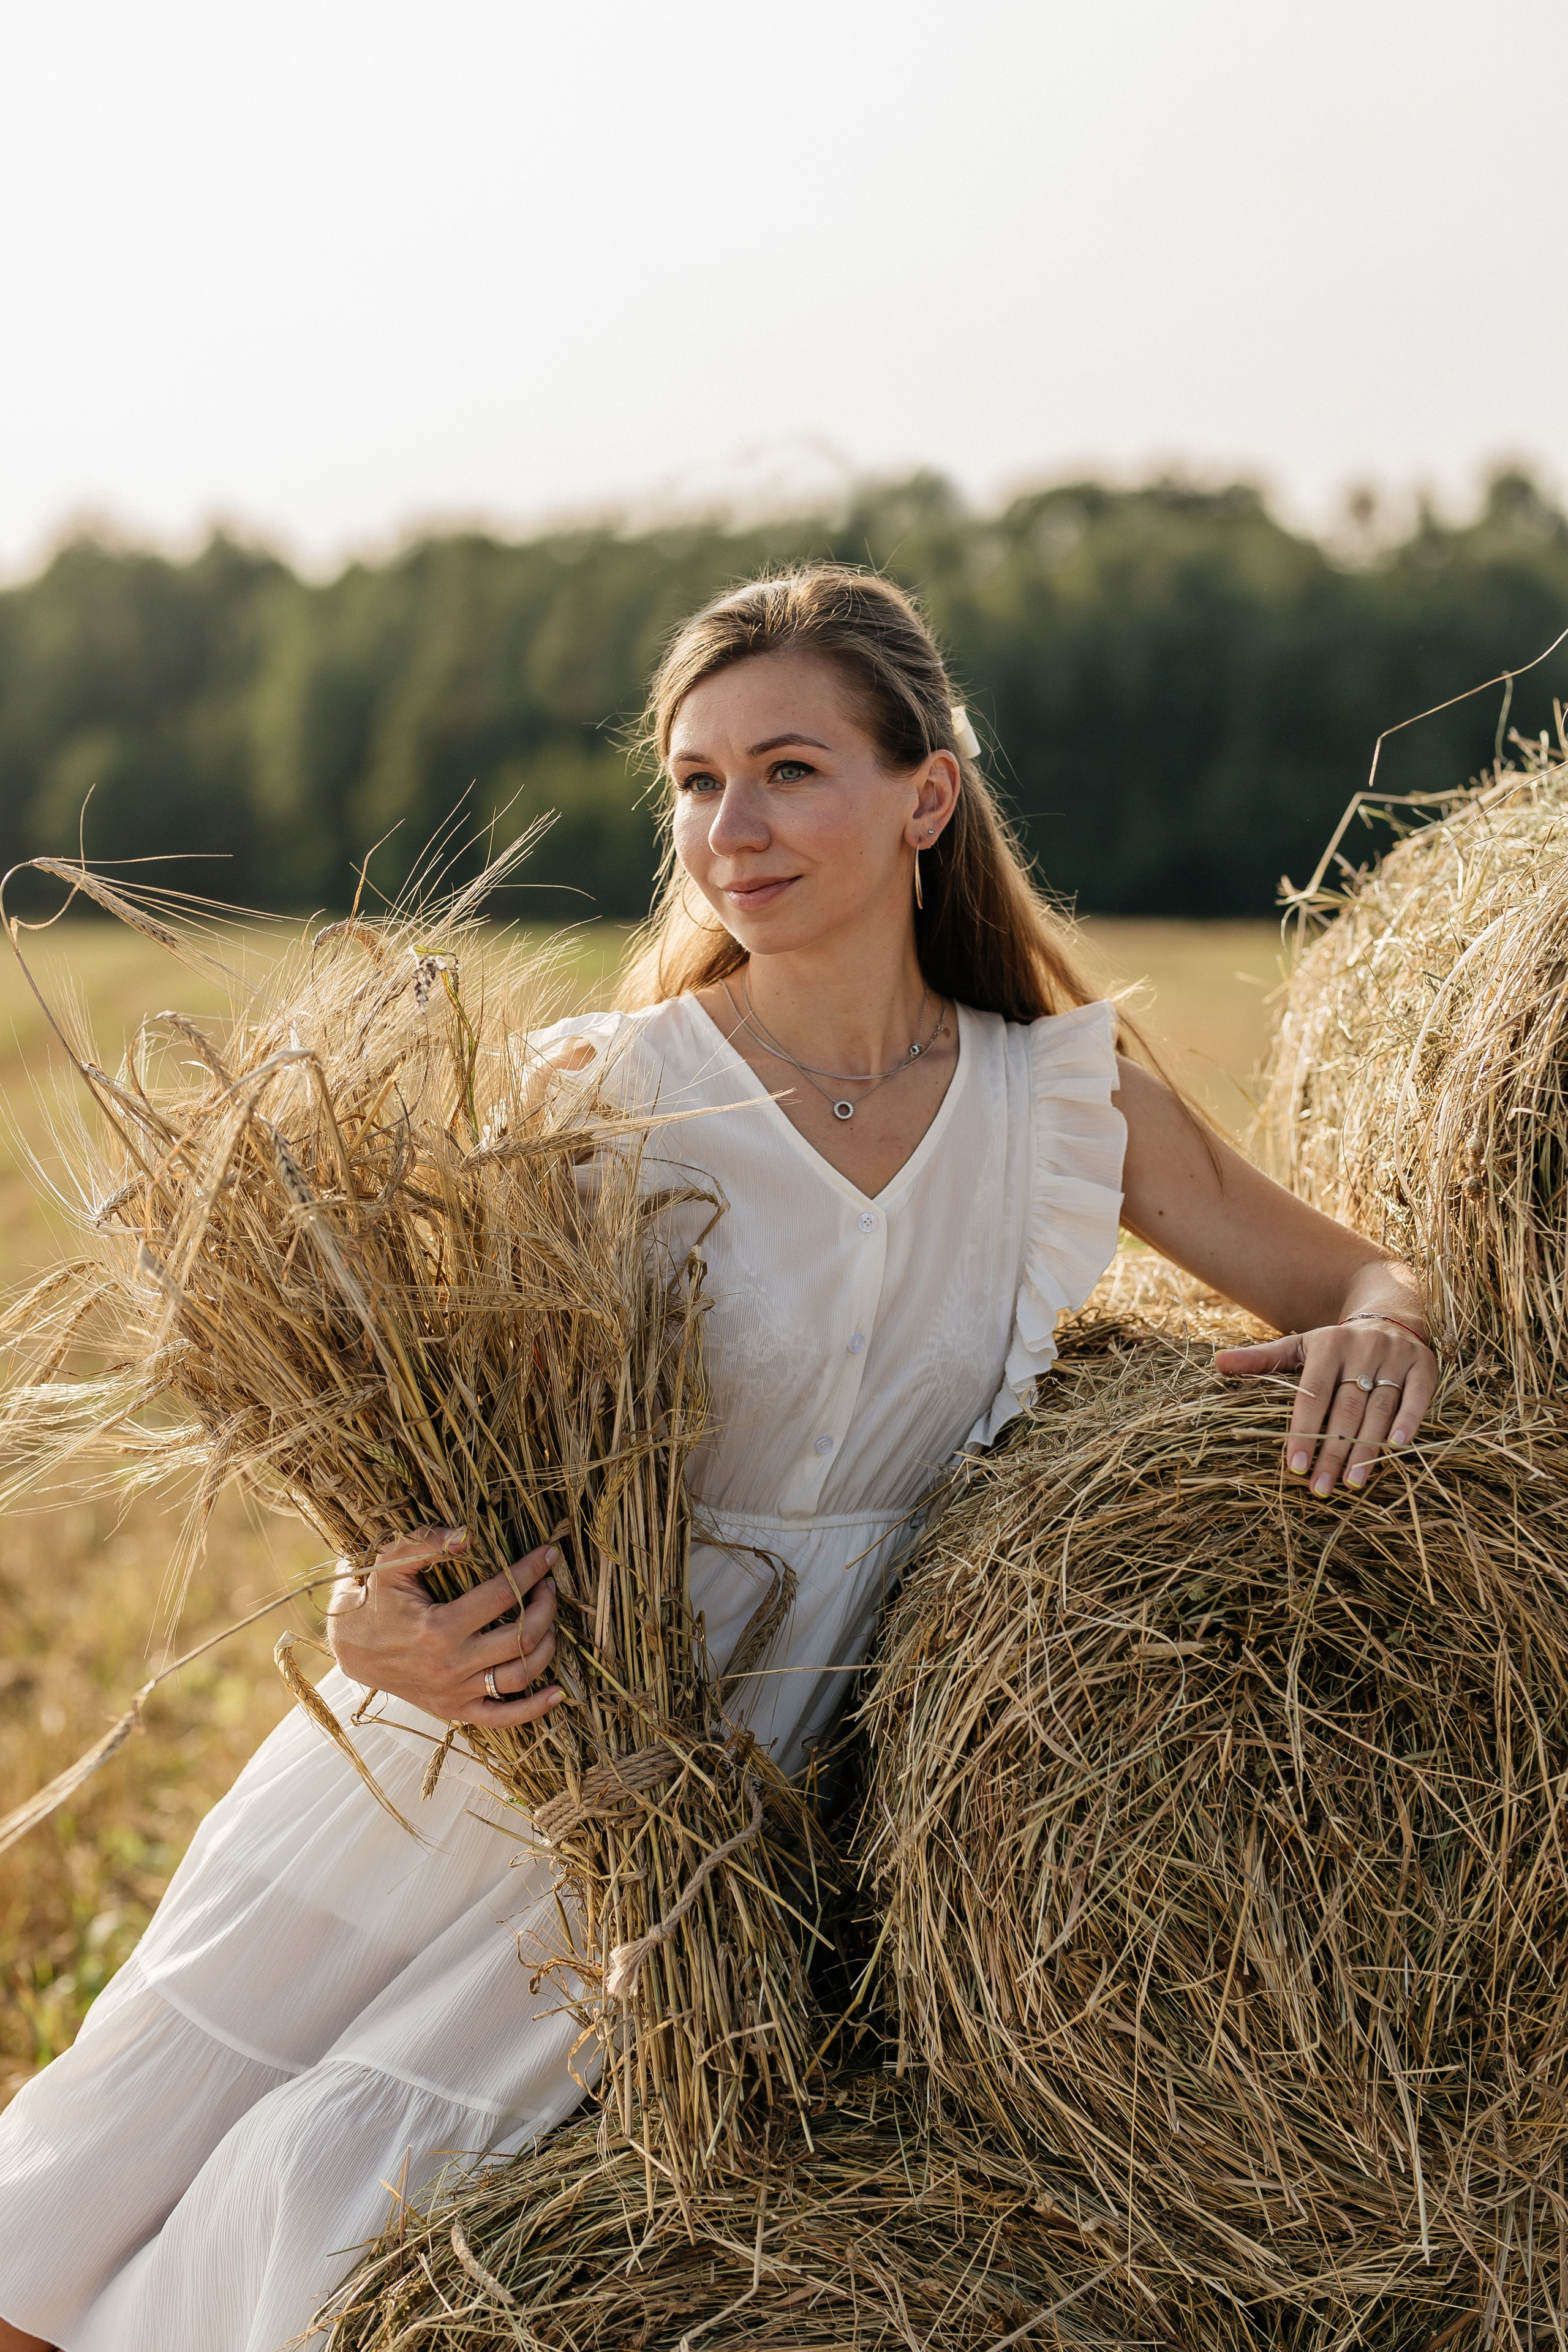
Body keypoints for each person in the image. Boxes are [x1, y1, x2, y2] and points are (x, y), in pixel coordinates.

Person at [0, 565, 1437, 2352]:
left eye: (788, 771)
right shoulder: (592, 1095)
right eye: (693, 782)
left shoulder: (1057, 1101)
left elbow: (1358, 1270)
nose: (730, 828)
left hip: (725, 1808)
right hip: (497, 1740)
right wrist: (373, 1629)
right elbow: (418, 1458)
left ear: (927, 796)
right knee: (61, 2224)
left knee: (304, 2217)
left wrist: (1380, 1327)